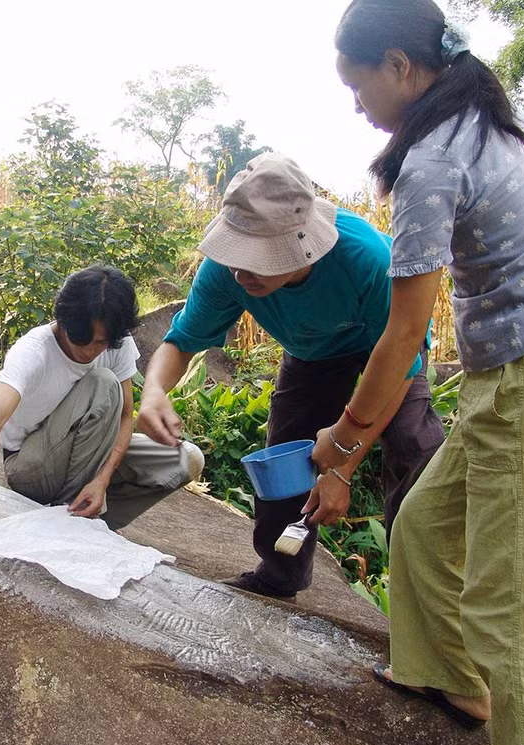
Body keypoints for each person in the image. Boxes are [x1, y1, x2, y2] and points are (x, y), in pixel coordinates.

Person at [315, 1, 524, 745]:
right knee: (421, 527)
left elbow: (405, 332)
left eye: (359, 87)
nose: (358, 104)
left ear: (400, 68)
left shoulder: (434, 159)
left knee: (519, 623)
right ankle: (449, 675)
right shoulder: (505, 122)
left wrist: (345, 444)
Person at [137, 152, 444, 600]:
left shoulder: (364, 258)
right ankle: (279, 574)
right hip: (313, 351)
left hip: (388, 344)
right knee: (282, 457)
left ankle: (424, 603)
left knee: (415, 447)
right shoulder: (227, 273)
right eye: (235, 254)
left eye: (257, 258)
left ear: (300, 244)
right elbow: (181, 342)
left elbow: (397, 366)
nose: (242, 271)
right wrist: (153, 392)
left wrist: (341, 468)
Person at [0, 265, 204, 547]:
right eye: (81, 339)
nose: (89, 351)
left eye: (100, 342)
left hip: (84, 455)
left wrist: (102, 479)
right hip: (29, 466)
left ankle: (87, 515)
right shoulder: (33, 351)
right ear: (63, 321)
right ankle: (65, 523)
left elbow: (126, 416)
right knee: (103, 383)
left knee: (185, 458)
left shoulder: (117, 342)